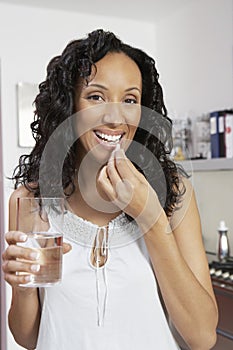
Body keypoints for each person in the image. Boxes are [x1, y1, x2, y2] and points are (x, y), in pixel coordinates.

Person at [2, 29, 218, 350]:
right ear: (68, 108)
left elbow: (202, 337)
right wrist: (22, 288)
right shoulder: (31, 201)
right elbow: (28, 338)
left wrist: (150, 219)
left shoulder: (173, 193)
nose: (115, 117)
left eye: (130, 100)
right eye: (96, 97)